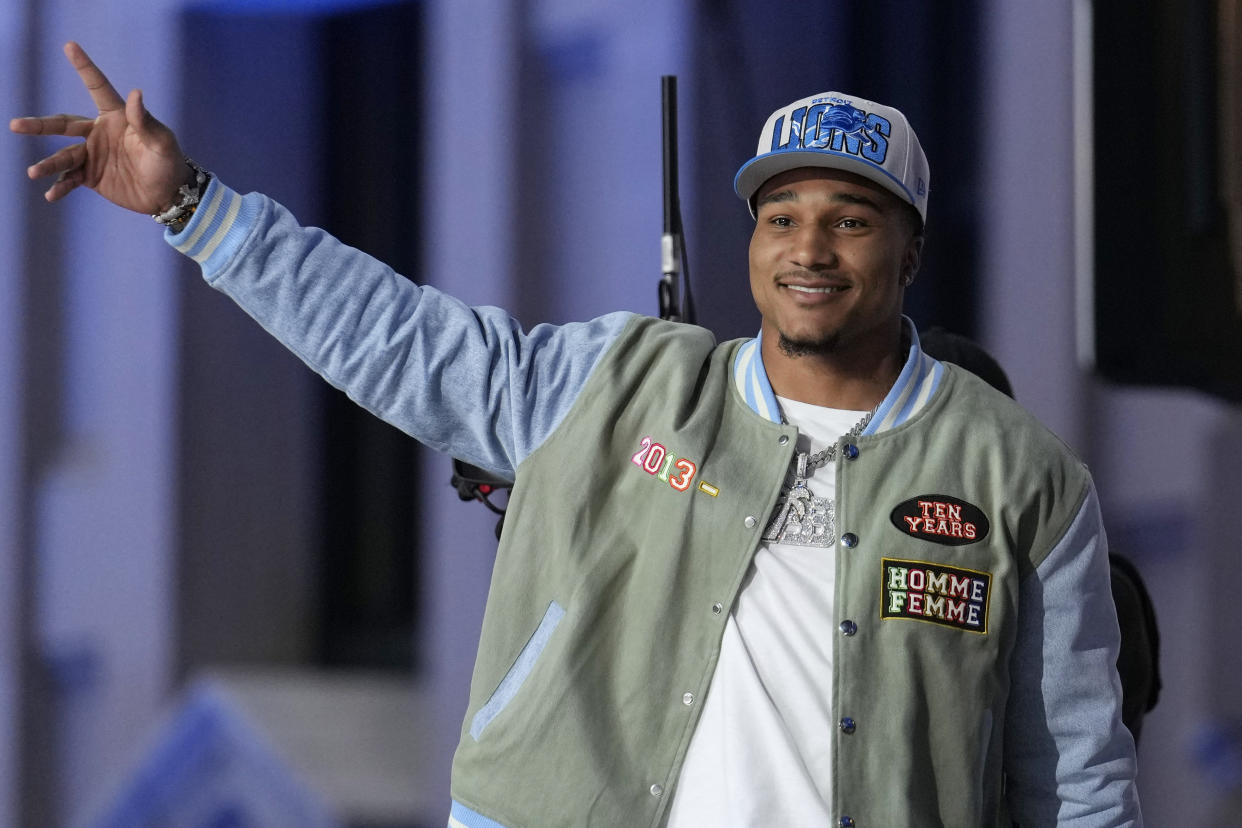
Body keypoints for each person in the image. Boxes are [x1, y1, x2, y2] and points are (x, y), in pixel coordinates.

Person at [13, 43, 1142, 827]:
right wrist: (194, 206)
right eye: (781, 217)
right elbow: (399, 339)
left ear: (910, 254)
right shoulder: (617, 384)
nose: (811, 248)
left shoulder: (1022, 479)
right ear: (749, 241)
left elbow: (1078, 780)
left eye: (852, 221)